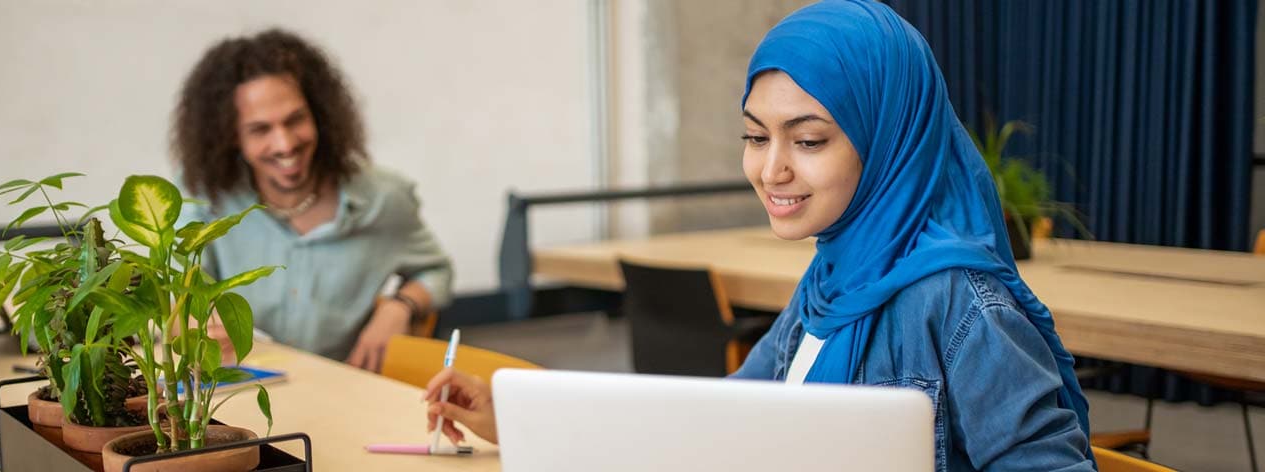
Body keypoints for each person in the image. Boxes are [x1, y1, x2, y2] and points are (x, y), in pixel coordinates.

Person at [422, 2, 1094, 469]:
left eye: (807, 140)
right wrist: (515, 421)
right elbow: (728, 413)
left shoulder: (958, 302)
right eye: (753, 136)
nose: (771, 169)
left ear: (889, 141)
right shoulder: (833, 277)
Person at [173, 29, 454, 370]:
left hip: (344, 390)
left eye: (295, 120)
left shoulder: (383, 199)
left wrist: (401, 306)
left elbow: (436, 270)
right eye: (260, 130)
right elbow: (178, 283)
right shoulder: (208, 198)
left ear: (319, 114)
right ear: (231, 136)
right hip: (239, 392)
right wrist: (190, 317)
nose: (285, 144)